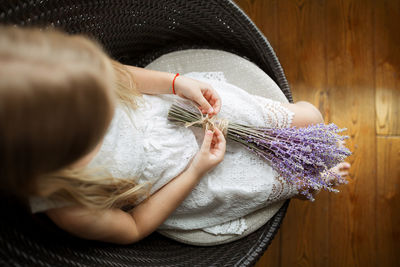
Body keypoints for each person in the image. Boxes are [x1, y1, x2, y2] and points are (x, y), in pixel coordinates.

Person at [0, 26, 351, 244]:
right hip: (185, 180)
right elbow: (133, 228)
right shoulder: (67, 202)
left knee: (311, 116)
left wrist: (176, 83)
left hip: (181, 111)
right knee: (281, 180)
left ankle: (296, 171)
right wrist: (198, 168)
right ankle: (298, 186)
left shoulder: (64, 78)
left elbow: (121, 76)